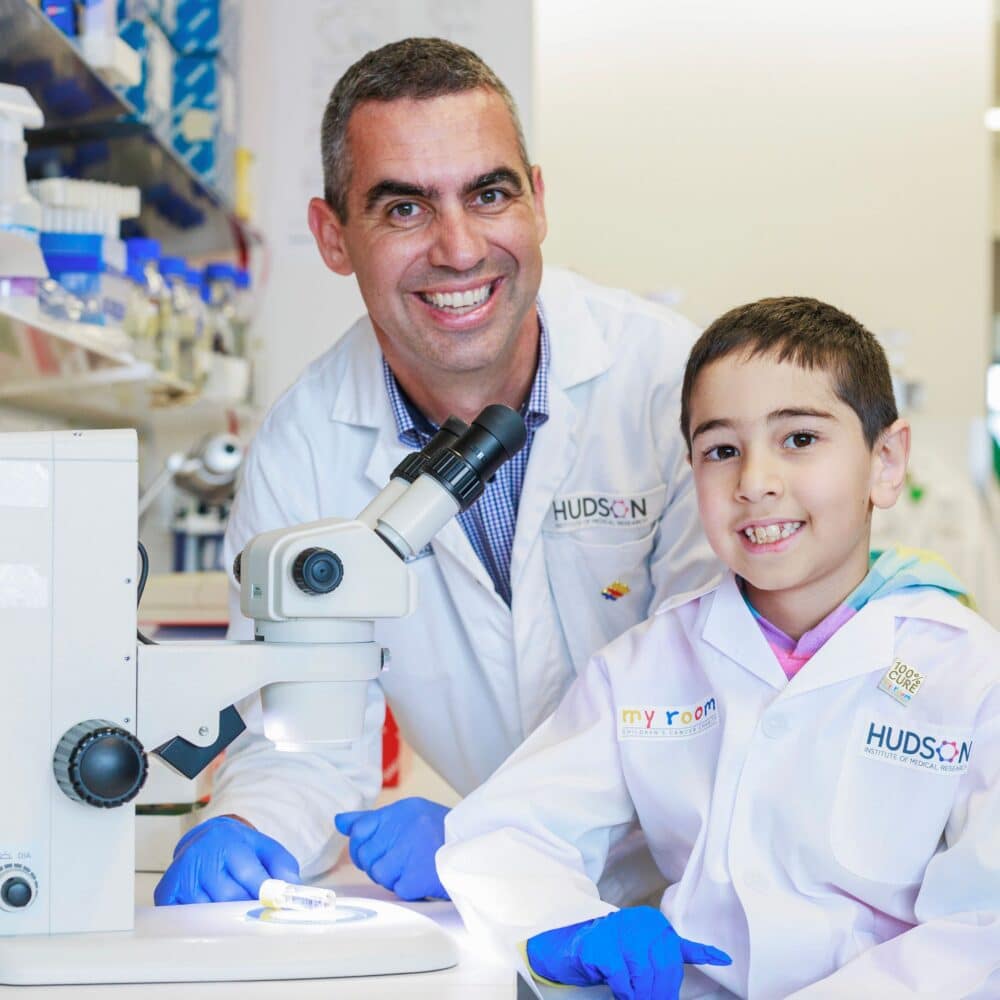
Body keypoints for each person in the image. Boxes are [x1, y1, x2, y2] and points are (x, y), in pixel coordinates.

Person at [153, 37, 719, 907]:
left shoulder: (665, 385)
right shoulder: (305, 446)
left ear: (537, 201)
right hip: (506, 899)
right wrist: (256, 825)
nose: (459, 250)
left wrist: (505, 830)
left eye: (489, 195)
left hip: (702, 886)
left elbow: (713, 694)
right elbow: (303, 732)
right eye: (405, 209)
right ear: (333, 236)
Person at [437, 297, 1000, 999]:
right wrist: (571, 925)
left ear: (886, 462)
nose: (755, 481)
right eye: (721, 450)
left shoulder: (970, 673)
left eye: (798, 439)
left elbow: (985, 924)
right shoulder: (647, 665)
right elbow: (503, 835)